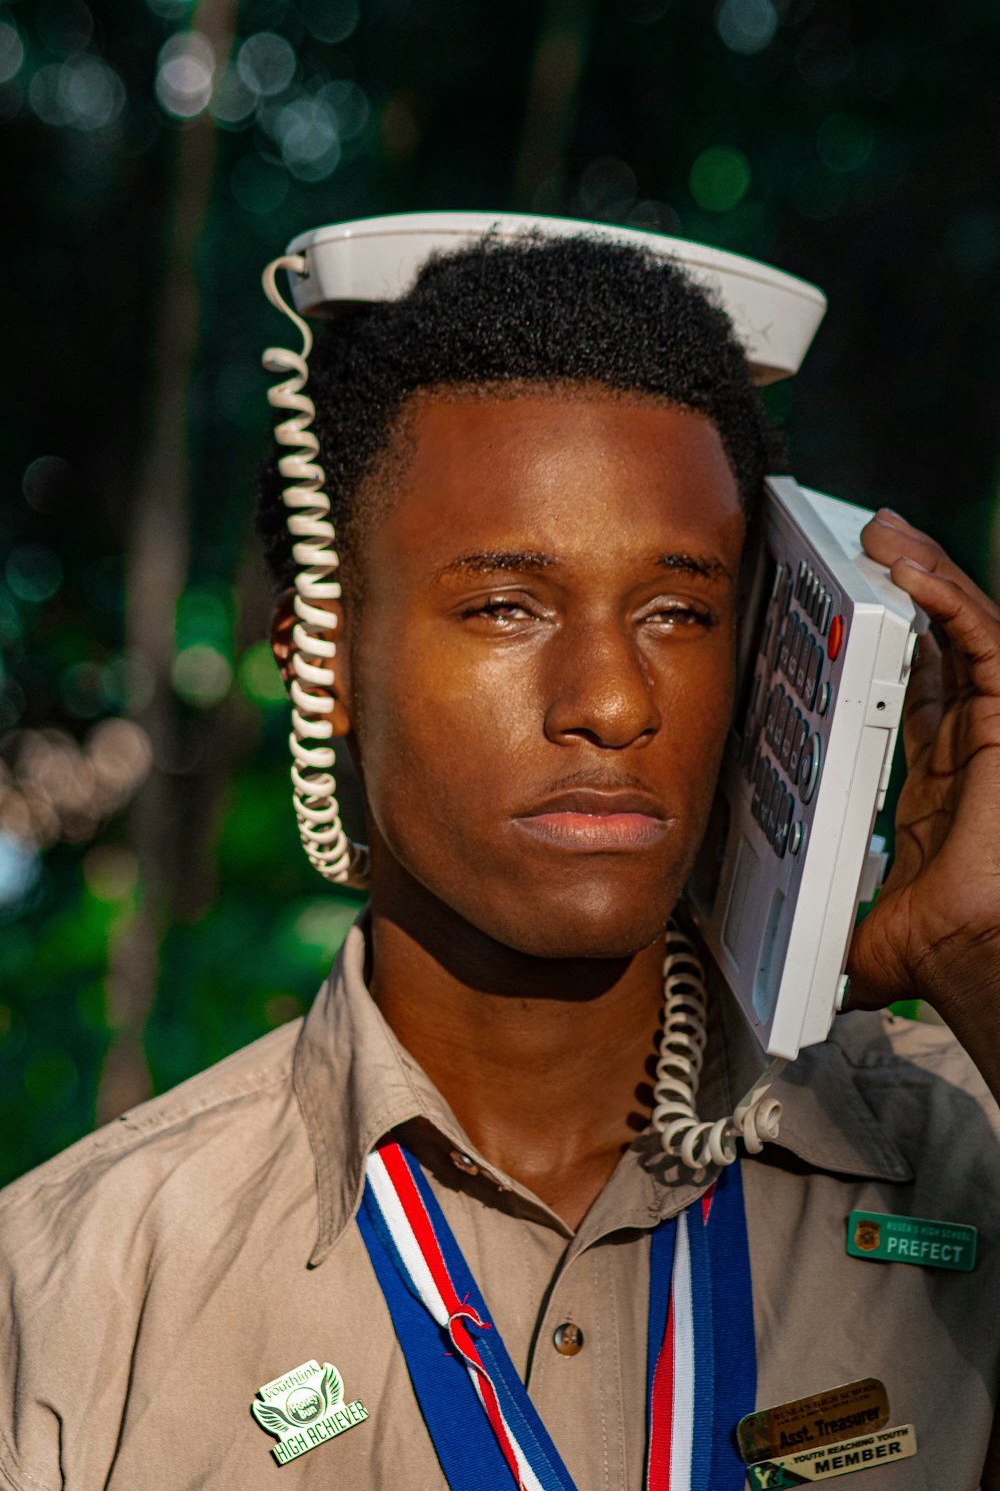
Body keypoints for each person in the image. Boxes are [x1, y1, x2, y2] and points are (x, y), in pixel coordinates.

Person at [2, 229, 1000, 1491]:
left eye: (677, 612)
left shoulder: (969, 1156)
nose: (612, 701)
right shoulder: (73, 1296)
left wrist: (982, 960)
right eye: (504, 608)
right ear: (324, 657)